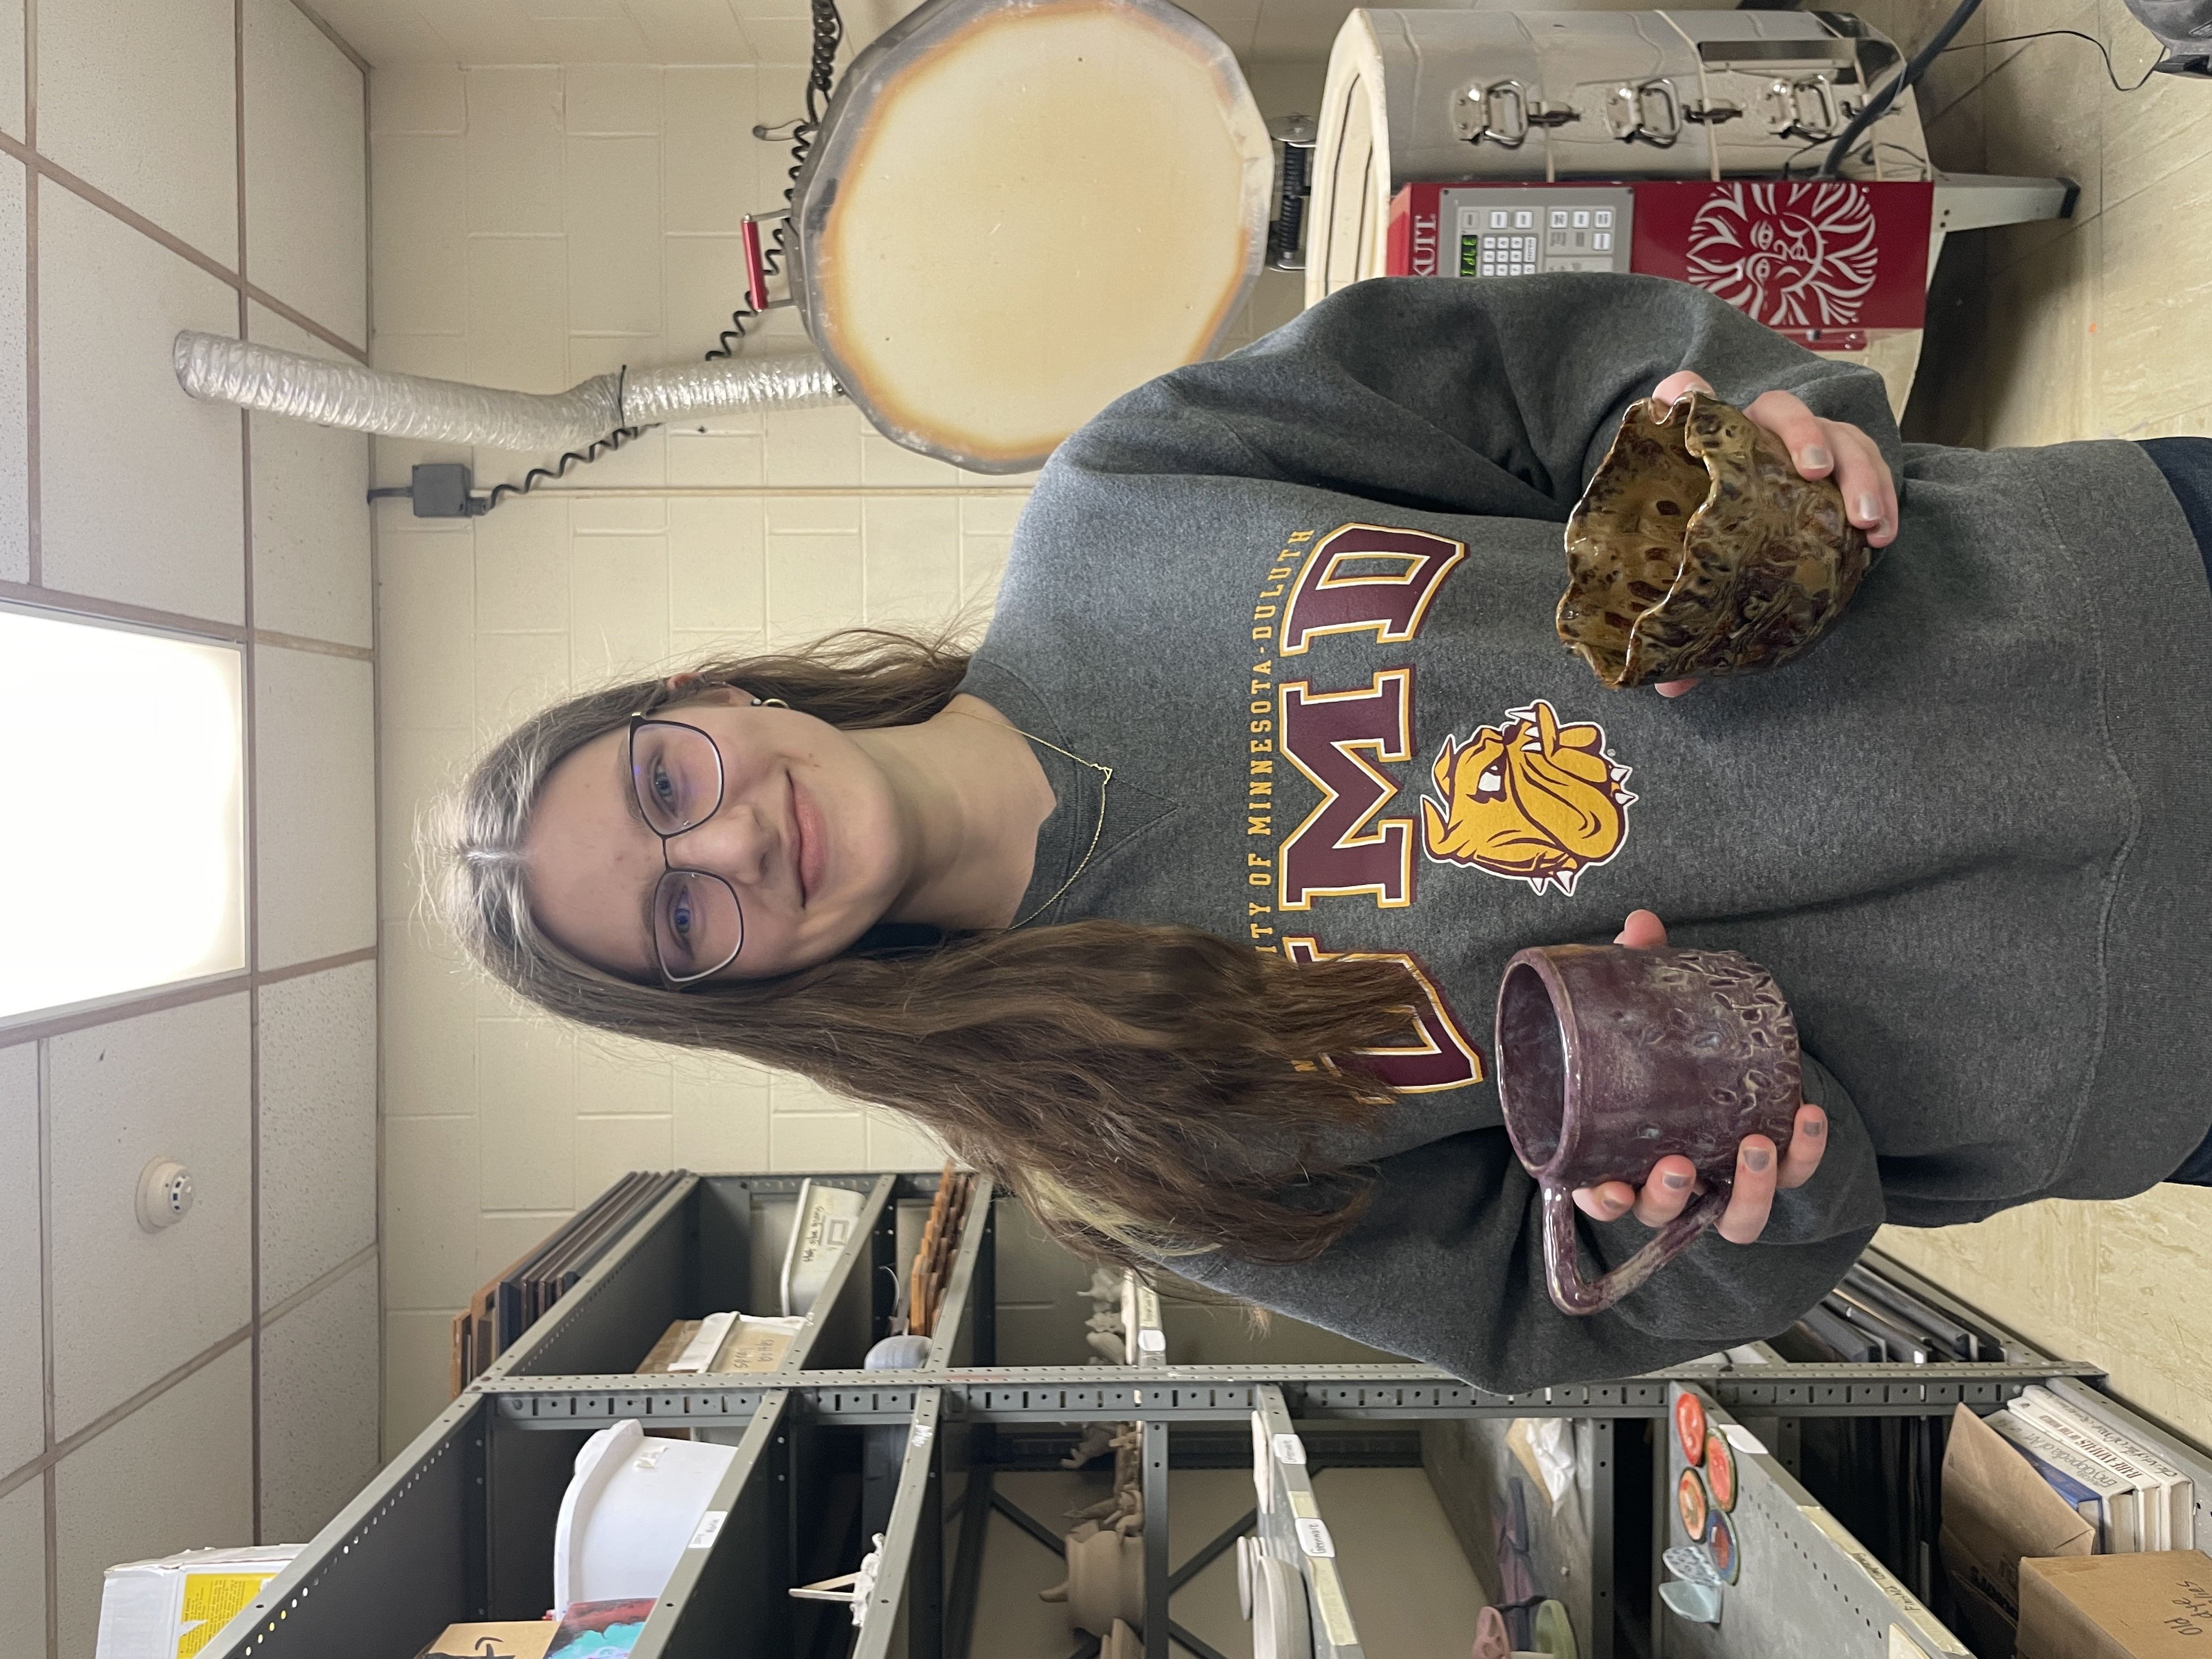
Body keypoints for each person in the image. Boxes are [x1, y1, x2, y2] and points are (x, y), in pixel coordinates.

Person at [440, 275, 2212, 1392]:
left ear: (707, 699)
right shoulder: (1120, 1136)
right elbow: (1549, 1317)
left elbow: (1540, 379)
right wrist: (1723, 1213)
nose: (729, 850)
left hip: (2112, 601)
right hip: (2136, 1029)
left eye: (666, 788)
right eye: (679, 922)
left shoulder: (1124, 500)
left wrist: (1736, 412)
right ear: (722, 995)